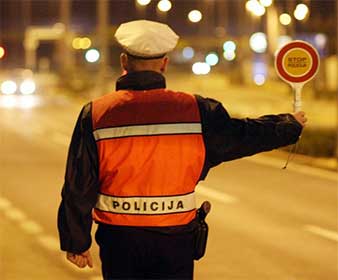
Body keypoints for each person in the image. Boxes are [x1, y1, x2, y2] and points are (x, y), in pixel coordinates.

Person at [57, 20, 307, 279]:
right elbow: (242, 135)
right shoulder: (197, 111)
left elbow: (78, 182)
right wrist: (288, 126)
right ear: (164, 63)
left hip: (120, 241)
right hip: (176, 242)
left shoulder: (96, 113)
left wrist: (77, 241)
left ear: (123, 62)